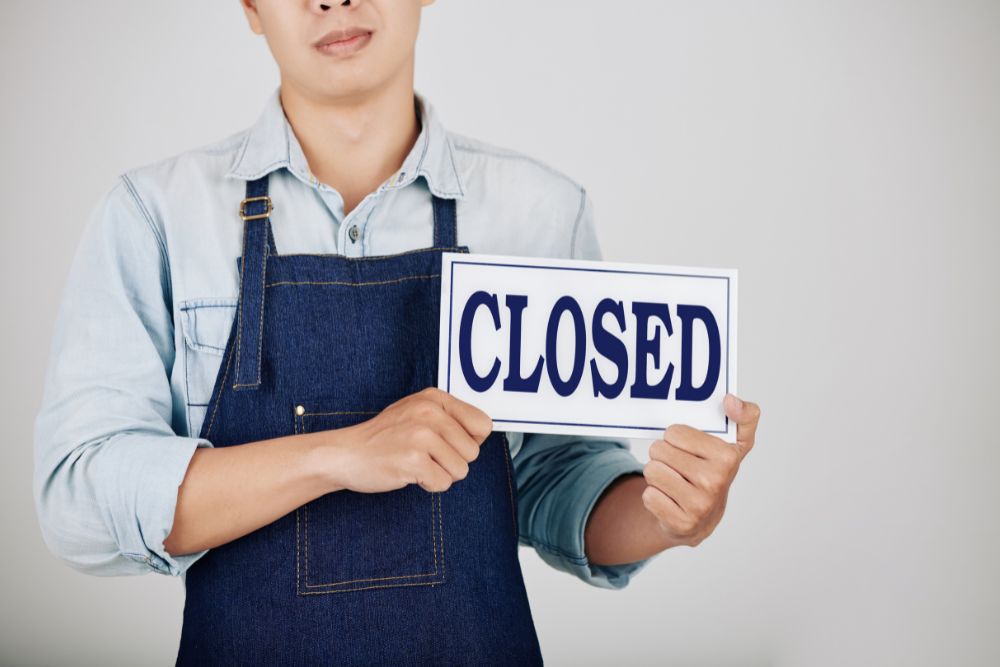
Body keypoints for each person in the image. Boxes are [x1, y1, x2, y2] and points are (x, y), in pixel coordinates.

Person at [32, 0, 762, 664]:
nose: (333, 1)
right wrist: (340, 454)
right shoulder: (154, 218)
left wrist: (670, 513)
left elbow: (550, 482)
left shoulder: (538, 211)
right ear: (252, 8)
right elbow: (80, 499)